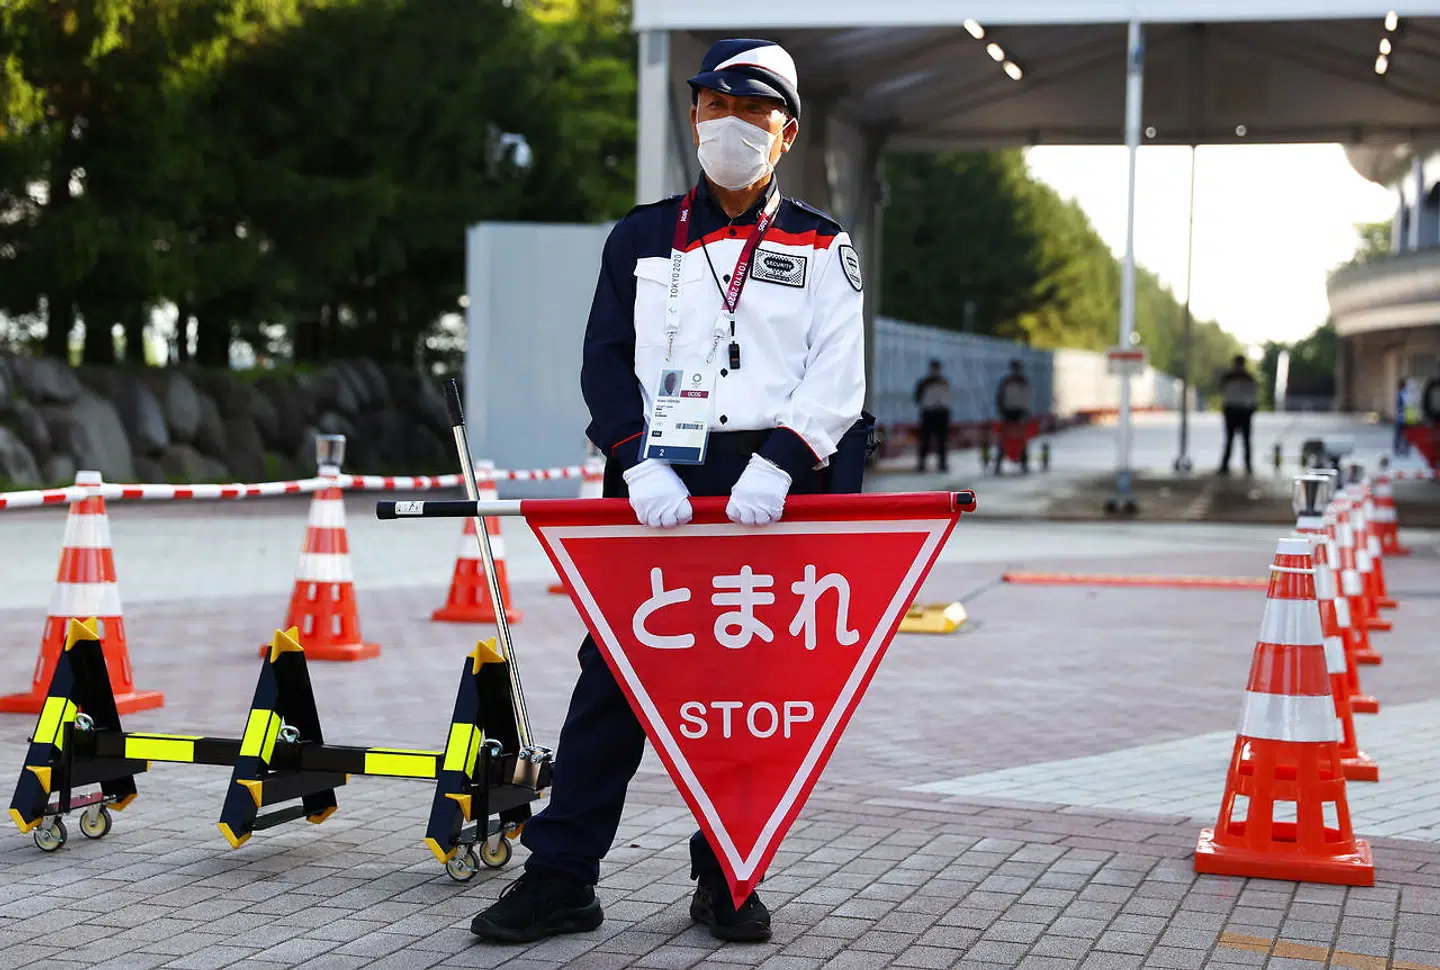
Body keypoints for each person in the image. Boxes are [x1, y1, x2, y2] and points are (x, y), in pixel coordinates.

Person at [469, 38, 871, 947]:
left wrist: (779, 460)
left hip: (772, 484)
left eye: (754, 110)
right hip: (656, 478)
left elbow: (837, 375)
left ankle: (727, 874)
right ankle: (562, 876)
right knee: (615, 678)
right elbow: (604, 360)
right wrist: (635, 458)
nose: (732, 123)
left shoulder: (820, 243)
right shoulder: (641, 236)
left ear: (788, 131)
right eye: (715, 104)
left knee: (745, 689)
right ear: (693, 118)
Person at [1218, 354, 1259, 475]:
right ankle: (1242, 465)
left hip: (1238, 410)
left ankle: (1241, 465)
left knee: (1238, 440)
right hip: (1238, 409)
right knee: (1236, 440)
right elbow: (1254, 393)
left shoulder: (1232, 377)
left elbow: (1253, 393)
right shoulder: (1246, 377)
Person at [993, 359, 1033, 473]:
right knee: (1004, 437)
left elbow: (1027, 398)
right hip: (1008, 411)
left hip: (1020, 411)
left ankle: (1024, 463)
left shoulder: (1023, 382)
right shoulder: (1006, 382)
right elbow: (1000, 397)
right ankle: (998, 464)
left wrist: (1026, 411)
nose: (1015, 370)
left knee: (1022, 437)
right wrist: (1001, 410)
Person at [913, 359, 951, 472]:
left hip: (940, 412)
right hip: (929, 412)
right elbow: (917, 397)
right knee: (925, 439)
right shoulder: (925, 382)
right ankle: (922, 463)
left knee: (942, 440)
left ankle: (942, 463)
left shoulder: (943, 382)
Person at [1394, 378, 1411, 457]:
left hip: (1402, 418)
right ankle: (1405, 450)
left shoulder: (1401, 394)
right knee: (1404, 435)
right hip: (1406, 418)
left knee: (1399, 435)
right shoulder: (1406, 394)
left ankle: (1399, 450)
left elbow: (1399, 406)